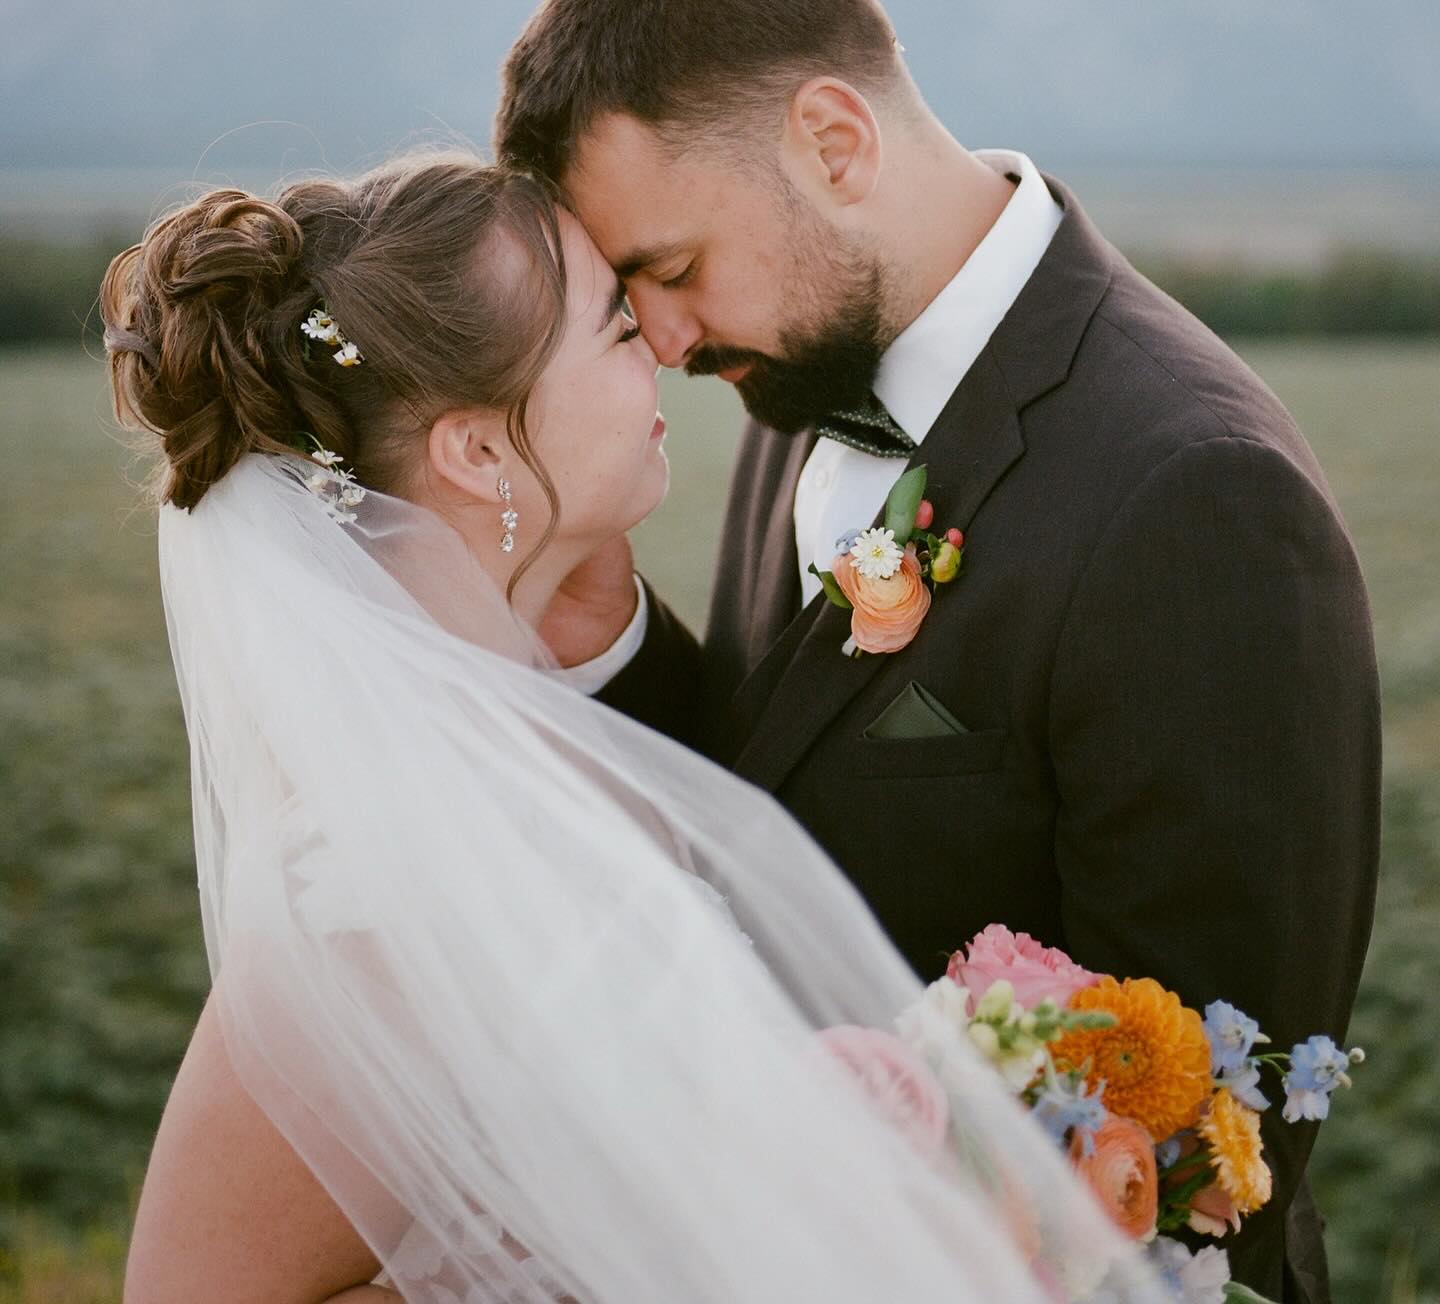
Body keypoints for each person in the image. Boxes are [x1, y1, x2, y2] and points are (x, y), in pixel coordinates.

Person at [495, 0, 1384, 1304]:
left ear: (833, 145)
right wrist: (603, 626)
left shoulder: (1198, 494)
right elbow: (777, 784)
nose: (660, 340)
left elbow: (1215, 1127)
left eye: (671, 271)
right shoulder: (803, 380)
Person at [103, 154, 1165, 1303]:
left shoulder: (549, 750)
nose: (661, 346)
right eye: (612, 328)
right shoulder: (367, 893)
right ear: (475, 450)